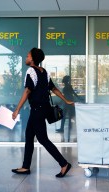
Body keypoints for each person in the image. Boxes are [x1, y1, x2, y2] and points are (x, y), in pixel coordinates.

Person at [11, 47, 73, 177]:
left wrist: (17, 109)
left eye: (28, 56)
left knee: (43, 139)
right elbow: (54, 89)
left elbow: (27, 91)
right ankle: (25, 166)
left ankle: (64, 164)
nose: (26, 58)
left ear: (33, 59)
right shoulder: (44, 72)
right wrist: (65, 100)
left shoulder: (31, 71)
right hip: (42, 108)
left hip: (37, 110)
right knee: (29, 136)